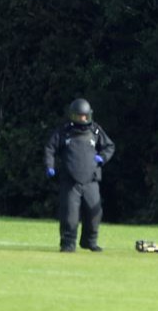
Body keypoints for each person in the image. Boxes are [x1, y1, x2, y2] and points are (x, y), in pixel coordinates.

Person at [44, 98, 115, 252]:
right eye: (79, 116)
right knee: (69, 215)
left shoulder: (95, 131)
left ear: (89, 115)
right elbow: (50, 148)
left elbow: (109, 146)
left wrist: (102, 157)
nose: (82, 119)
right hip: (70, 180)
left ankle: (89, 241)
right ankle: (68, 243)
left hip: (91, 180)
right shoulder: (64, 132)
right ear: (73, 116)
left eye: (85, 116)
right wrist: (50, 166)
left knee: (94, 213)